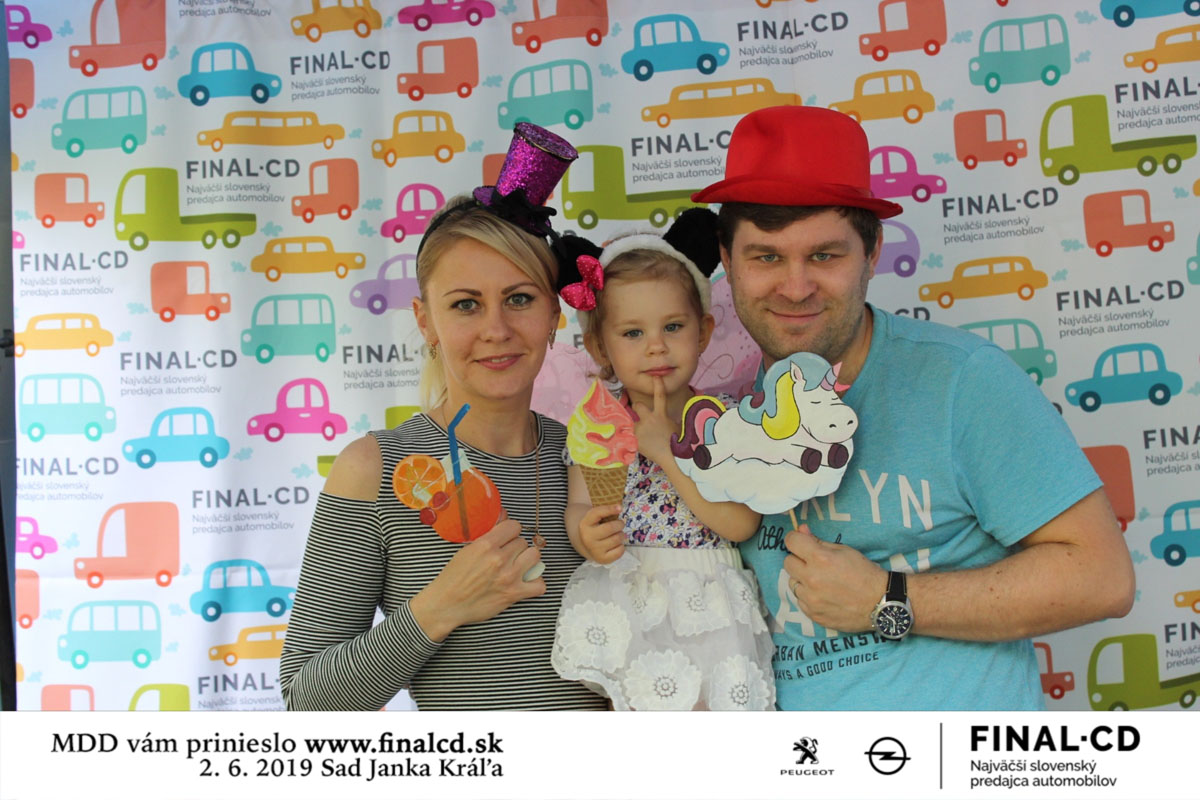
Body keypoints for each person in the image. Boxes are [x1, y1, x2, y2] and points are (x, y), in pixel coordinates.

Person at [690, 105, 1134, 710]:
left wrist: (887, 599)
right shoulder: (722, 416)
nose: (795, 287)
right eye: (766, 257)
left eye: (825, 256)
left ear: (872, 252)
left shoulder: (962, 381)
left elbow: (1102, 578)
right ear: (727, 259)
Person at [279, 124, 607, 710]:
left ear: (554, 315)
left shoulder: (590, 455)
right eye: (465, 305)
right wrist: (439, 608)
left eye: (519, 298)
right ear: (425, 321)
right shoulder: (375, 469)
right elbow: (307, 700)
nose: (496, 329)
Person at [548, 212, 775, 711]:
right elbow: (579, 504)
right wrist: (585, 534)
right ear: (599, 346)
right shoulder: (596, 424)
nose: (656, 346)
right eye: (632, 333)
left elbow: (740, 523)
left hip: (709, 601)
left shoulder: (725, 422)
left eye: (673, 326)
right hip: (627, 593)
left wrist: (668, 451)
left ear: (703, 331)